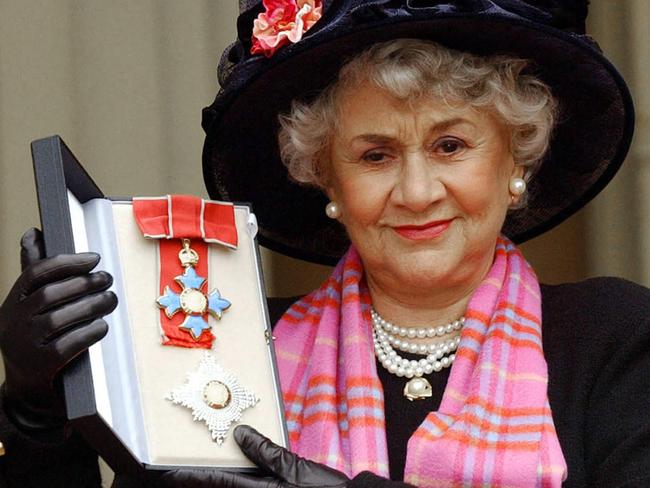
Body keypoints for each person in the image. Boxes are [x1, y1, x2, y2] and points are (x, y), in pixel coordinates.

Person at [0, 1, 648, 487]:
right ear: (327, 181)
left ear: (516, 163)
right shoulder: (231, 357)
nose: (417, 191)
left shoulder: (617, 338)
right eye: (375, 155)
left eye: (451, 145)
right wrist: (36, 408)